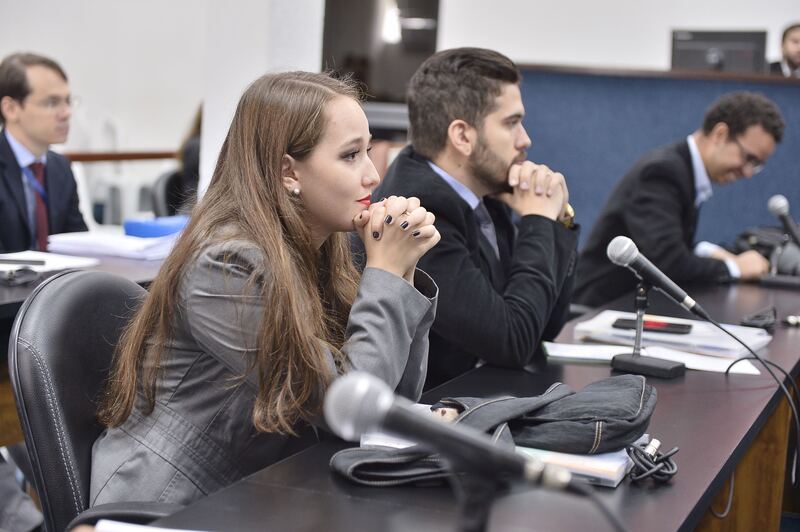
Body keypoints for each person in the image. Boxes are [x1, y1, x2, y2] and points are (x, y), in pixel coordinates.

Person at [90, 71, 440, 506]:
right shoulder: (224, 266)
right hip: (169, 502)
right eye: (350, 155)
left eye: (368, 152)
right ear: (288, 172)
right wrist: (384, 272)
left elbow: (387, 405)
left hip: (259, 488)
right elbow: (348, 408)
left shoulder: (320, 248)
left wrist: (401, 271)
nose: (372, 175)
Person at [373, 48, 579, 389]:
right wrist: (538, 222)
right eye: (511, 123)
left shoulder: (483, 190)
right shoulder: (421, 211)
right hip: (435, 410)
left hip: (485, 396)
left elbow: (544, 324)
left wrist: (559, 219)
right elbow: (513, 342)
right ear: (463, 136)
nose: (525, 139)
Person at [574, 92, 784, 308]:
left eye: (756, 165)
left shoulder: (683, 168)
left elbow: (667, 248)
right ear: (720, 134)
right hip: (599, 309)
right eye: (749, 158)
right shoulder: (662, 172)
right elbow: (668, 262)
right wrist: (735, 268)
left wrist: (706, 251)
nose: (748, 172)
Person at [0, 52, 87, 253]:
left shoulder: (60, 167)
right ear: (11, 109)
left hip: (58, 274)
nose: (67, 113)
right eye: (52, 102)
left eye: (67, 101)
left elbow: (78, 242)